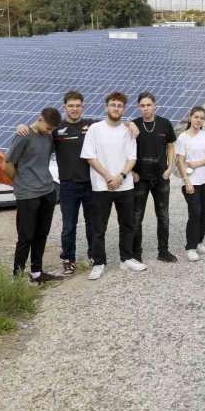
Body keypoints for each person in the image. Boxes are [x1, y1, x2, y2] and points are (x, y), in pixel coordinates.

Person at [15, 91, 138, 276]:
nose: (74, 109)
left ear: (83, 107)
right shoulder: (56, 129)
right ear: (64, 107)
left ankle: (93, 255)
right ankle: (68, 259)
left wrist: (131, 123)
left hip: (90, 184)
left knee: (92, 224)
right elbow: (39, 131)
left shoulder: (92, 125)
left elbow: (114, 120)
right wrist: (24, 126)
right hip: (68, 185)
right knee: (69, 225)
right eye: (71, 106)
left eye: (78, 105)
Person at [80, 91, 143, 280]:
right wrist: (109, 177)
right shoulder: (95, 129)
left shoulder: (128, 130)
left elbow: (132, 157)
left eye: (120, 106)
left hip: (125, 185)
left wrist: (121, 176)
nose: (116, 108)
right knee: (99, 227)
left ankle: (127, 258)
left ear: (124, 109)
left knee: (127, 224)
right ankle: (99, 263)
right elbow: (90, 156)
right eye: (113, 105)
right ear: (106, 107)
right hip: (102, 186)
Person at [2, 107, 64, 283]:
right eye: (48, 128)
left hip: (47, 191)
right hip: (27, 194)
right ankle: (18, 277)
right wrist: (21, 182)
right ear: (40, 119)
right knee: (25, 237)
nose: (50, 132)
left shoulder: (48, 136)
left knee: (41, 233)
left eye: (52, 129)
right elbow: (6, 166)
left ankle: (37, 273)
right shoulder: (23, 136)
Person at [132, 92, 178, 264]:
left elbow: (171, 146)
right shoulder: (134, 126)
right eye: (142, 106)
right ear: (138, 107)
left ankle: (163, 251)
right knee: (137, 216)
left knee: (163, 215)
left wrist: (169, 167)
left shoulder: (165, 124)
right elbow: (126, 150)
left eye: (148, 105)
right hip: (140, 178)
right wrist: (132, 173)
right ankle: (136, 254)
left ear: (155, 105)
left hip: (161, 177)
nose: (146, 108)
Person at [175, 106, 205, 262]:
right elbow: (180, 162)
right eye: (196, 117)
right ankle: (190, 247)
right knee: (195, 212)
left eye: (202, 118)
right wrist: (187, 181)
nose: (198, 120)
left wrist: (198, 163)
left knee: (204, 211)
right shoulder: (183, 138)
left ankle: (199, 242)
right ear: (190, 117)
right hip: (192, 181)